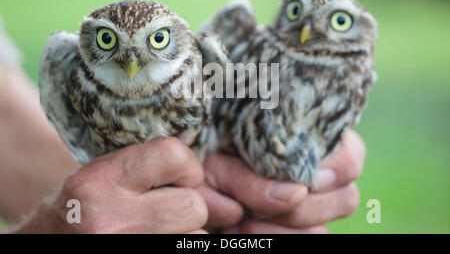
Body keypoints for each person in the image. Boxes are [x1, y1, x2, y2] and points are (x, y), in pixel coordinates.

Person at [0, 25, 365, 234]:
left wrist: (230, 188)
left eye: (157, 41)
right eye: (108, 41)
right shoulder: (71, 62)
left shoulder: (203, 57)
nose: (131, 60)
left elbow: (6, 123)